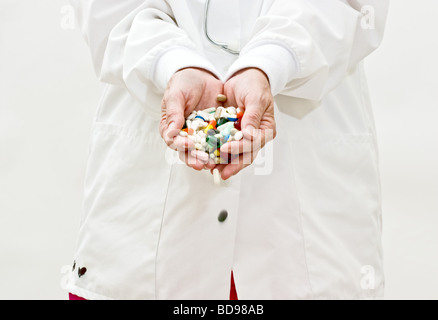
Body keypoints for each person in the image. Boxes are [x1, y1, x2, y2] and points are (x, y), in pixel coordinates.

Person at [66, 0, 389, 300]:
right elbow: (106, 10)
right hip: (147, 207)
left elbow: (351, 8)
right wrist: (170, 62)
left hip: (304, 192)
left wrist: (273, 60)